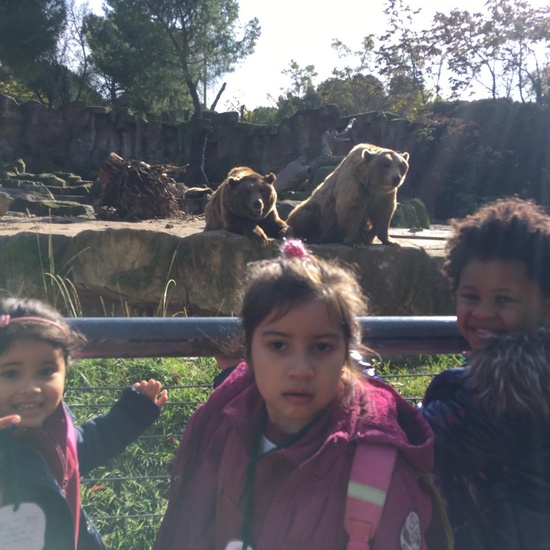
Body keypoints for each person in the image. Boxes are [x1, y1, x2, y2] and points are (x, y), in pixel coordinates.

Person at [154, 239, 450, 550]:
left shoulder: (379, 468)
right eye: (278, 346)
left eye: (322, 347)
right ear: (249, 351)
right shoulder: (221, 425)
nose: (300, 370)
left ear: (346, 355)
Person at [422, 197, 550, 549]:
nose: (482, 312)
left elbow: (411, 433)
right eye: (470, 296)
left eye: (504, 299)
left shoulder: (507, 390)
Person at [0, 296, 168, 550]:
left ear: (65, 369)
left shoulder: (55, 425)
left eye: (46, 371)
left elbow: (86, 447)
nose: (31, 388)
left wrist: (132, 414)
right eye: (11, 373)